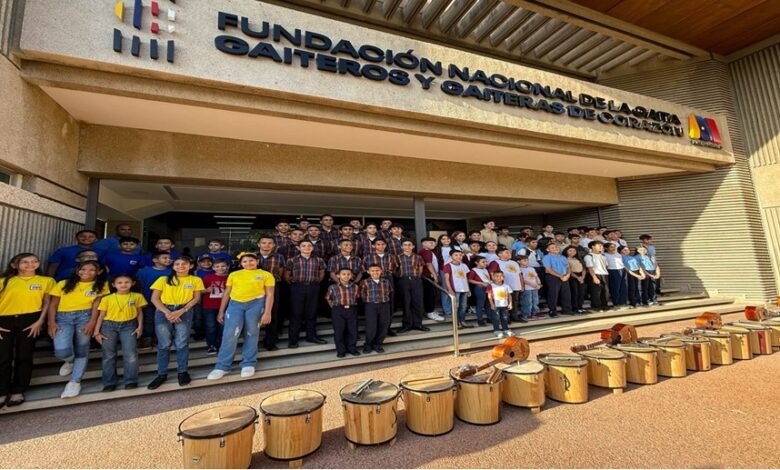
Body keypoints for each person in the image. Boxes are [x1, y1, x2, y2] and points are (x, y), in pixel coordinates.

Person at [206, 253, 274, 380]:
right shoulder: (234, 274)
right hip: (235, 304)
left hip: (256, 304)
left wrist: (267, 312)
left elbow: (270, 295)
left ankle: (248, 363)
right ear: (241, 264)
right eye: (245, 261)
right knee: (230, 333)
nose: (248, 263)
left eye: (251, 260)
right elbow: (226, 293)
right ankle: (222, 366)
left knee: (251, 332)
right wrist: (221, 311)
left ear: (257, 261)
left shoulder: (266, 275)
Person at [0, 253, 55, 407]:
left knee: (24, 355)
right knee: (3, 356)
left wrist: (40, 321)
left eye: (34, 261)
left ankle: (18, 390)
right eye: (25, 262)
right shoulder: (4, 281)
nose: (30, 264)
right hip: (4, 319)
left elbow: (47, 303)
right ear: (14, 265)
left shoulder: (46, 281)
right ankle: (2, 391)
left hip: (31, 320)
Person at [47, 260, 108, 398]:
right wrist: (51, 322)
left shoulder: (102, 285)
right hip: (63, 317)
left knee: (82, 348)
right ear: (77, 270)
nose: (87, 272)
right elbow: (53, 304)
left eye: (92, 269)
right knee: (61, 350)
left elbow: (97, 305)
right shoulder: (63, 283)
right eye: (83, 269)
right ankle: (70, 361)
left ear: (98, 272)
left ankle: (75, 382)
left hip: (85, 316)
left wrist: (92, 322)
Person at [147, 256, 204, 389]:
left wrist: (181, 311)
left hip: (185, 310)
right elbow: (155, 299)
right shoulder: (163, 279)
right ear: (173, 267)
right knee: (164, 344)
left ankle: (182, 372)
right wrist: (168, 312)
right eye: (177, 264)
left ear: (190, 266)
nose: (180, 266)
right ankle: (162, 374)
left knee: (182, 342)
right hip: (163, 310)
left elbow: (196, 298)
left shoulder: (195, 279)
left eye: (184, 264)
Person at [94, 274, 145, 392]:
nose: (123, 284)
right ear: (113, 285)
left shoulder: (137, 296)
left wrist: (140, 327)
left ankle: (131, 380)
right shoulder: (107, 298)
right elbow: (101, 315)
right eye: (120, 282)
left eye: (127, 282)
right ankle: (109, 382)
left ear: (132, 283)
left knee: (130, 353)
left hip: (129, 325)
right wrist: (97, 331)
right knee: (109, 355)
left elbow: (139, 312)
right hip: (108, 326)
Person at [285, 240, 327, 348]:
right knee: (296, 313)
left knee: (311, 312)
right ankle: (293, 340)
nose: (306, 247)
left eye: (309, 246)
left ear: (312, 248)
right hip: (297, 287)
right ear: (299, 248)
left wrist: (317, 282)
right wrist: (294, 283)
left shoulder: (319, 260)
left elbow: (322, 273)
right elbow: (286, 274)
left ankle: (311, 336)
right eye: (303, 246)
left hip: (313, 287)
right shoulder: (292, 260)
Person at [134, 251, 172, 349]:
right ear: (155, 260)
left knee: (163, 321)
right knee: (148, 320)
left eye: (169, 258)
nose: (168, 260)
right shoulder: (143, 272)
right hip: (147, 301)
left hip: (166, 303)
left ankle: (158, 339)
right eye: (164, 258)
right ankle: (146, 340)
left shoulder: (172, 272)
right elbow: (137, 287)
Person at [257, 236, 286, 351]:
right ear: (259, 244)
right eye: (263, 243)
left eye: (270, 243)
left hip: (274, 287)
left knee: (272, 314)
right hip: (255, 288)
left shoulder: (279, 257)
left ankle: (270, 342)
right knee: (254, 314)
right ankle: (252, 342)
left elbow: (280, 272)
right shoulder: (253, 257)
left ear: (274, 245)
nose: (266, 245)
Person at [394, 240, 429, 333]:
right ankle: (407, 325)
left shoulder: (418, 257)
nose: (407, 247)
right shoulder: (397, 257)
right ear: (401, 247)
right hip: (403, 280)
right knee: (406, 303)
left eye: (409, 245)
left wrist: (416, 277)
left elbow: (421, 268)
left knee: (418, 303)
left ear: (413, 246)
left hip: (416, 280)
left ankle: (418, 324)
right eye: (405, 245)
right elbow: (395, 269)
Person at [326, 268, 360, 358]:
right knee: (339, 331)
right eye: (343, 274)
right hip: (338, 310)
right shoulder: (332, 287)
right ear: (338, 276)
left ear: (352, 276)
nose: (346, 276)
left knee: (352, 330)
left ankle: (352, 348)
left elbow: (357, 297)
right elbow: (328, 298)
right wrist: (334, 308)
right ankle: (341, 350)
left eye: (348, 274)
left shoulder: (355, 287)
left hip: (351, 309)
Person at [360, 265, 393, 353]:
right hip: (371, 306)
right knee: (371, 326)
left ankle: (378, 344)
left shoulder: (386, 281)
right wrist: (369, 302)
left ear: (381, 271)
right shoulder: (365, 282)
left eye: (377, 270)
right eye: (372, 271)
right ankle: (368, 345)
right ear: (368, 272)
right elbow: (362, 294)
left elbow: (389, 291)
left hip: (384, 305)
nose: (375, 272)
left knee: (383, 325)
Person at [489, 248, 526, 323]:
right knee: (504, 301)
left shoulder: (514, 263)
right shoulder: (495, 262)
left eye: (509, 252)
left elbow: (519, 275)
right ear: (500, 254)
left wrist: (522, 285)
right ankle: (505, 318)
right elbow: (492, 274)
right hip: (503, 286)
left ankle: (514, 316)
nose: (509, 254)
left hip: (516, 285)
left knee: (515, 301)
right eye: (507, 252)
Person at [202, 259, 229, 354]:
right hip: (209, 306)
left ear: (227, 267)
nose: (220, 268)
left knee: (223, 326)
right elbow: (198, 291)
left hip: (226, 306)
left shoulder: (230, 278)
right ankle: (211, 345)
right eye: (217, 266)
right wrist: (206, 290)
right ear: (213, 268)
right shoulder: (207, 278)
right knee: (211, 326)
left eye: (223, 266)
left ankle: (221, 345)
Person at [443, 249, 472, 329]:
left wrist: (468, 289)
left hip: (464, 289)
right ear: (450, 256)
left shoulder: (464, 265)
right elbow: (446, 279)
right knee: (456, 306)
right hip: (455, 289)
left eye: (460, 255)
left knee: (463, 306)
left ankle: (462, 321)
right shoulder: (448, 266)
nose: (459, 257)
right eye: (456, 255)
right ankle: (456, 322)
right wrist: (450, 289)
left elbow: (466, 278)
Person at [542, 244, 574, 317]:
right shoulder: (546, 257)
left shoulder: (563, 257)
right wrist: (560, 276)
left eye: (556, 247)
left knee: (566, 294)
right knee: (553, 294)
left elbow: (568, 267)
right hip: (552, 277)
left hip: (565, 277)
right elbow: (548, 269)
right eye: (552, 248)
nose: (555, 248)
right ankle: (552, 311)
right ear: (548, 250)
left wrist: (568, 275)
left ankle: (567, 310)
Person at [418, 237, 443, 321]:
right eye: (430, 242)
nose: (433, 244)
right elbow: (428, 264)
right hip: (427, 277)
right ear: (423, 244)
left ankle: (430, 310)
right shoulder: (425, 251)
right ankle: (430, 312)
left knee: (430, 294)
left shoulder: (429, 251)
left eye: (434, 243)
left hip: (429, 276)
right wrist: (435, 275)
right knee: (430, 295)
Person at [487, 271, 513, 339]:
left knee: (505, 318)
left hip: (504, 305)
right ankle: (497, 330)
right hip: (496, 305)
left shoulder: (506, 286)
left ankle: (506, 329)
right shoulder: (491, 286)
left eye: (501, 276)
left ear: (503, 277)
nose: (499, 278)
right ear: (493, 277)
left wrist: (510, 303)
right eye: (497, 276)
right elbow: (489, 296)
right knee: (496, 318)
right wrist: (492, 304)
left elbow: (509, 295)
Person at [584, 241, 609, 312]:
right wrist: (594, 277)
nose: (601, 247)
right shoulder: (589, 256)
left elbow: (606, 266)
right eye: (599, 245)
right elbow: (590, 268)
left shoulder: (603, 256)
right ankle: (596, 307)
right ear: (593, 246)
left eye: (602, 246)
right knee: (596, 292)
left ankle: (604, 305)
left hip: (604, 274)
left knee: (605, 291)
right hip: (595, 274)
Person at [467, 256, 491, 326]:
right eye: (483, 262)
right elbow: (470, 280)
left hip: (488, 288)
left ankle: (489, 318)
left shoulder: (485, 270)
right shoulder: (473, 270)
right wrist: (481, 283)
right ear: (476, 263)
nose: (485, 263)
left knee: (488, 304)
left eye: (486, 262)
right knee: (480, 304)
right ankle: (480, 320)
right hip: (479, 288)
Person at [564, 246, 587, 314]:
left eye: (574, 251)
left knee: (581, 292)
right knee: (575, 292)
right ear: (566, 252)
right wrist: (577, 277)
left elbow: (584, 268)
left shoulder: (579, 258)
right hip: (573, 276)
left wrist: (582, 277)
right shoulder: (565, 259)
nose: (572, 252)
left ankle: (580, 306)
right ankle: (575, 307)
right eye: (570, 251)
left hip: (581, 276)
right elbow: (569, 270)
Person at [436, 234, 454, 317]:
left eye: (448, 238)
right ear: (440, 240)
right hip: (444, 270)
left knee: (455, 288)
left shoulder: (455, 248)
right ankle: (447, 310)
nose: (446, 240)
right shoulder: (438, 249)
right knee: (446, 289)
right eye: (443, 239)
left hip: (455, 270)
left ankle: (454, 309)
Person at [517, 255, 541, 319]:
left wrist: (539, 284)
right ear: (519, 261)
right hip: (527, 288)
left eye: (527, 260)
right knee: (527, 301)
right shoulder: (519, 269)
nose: (527, 261)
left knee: (535, 300)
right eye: (524, 260)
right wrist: (531, 284)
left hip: (535, 287)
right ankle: (527, 314)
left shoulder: (531, 268)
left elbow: (536, 277)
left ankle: (535, 312)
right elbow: (522, 279)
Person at [605, 243, 628, 308]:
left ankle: (623, 302)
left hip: (622, 270)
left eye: (614, 247)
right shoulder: (605, 255)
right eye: (611, 247)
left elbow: (621, 263)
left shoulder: (618, 254)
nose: (613, 248)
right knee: (615, 288)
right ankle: (616, 303)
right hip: (612, 270)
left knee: (623, 287)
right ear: (606, 248)